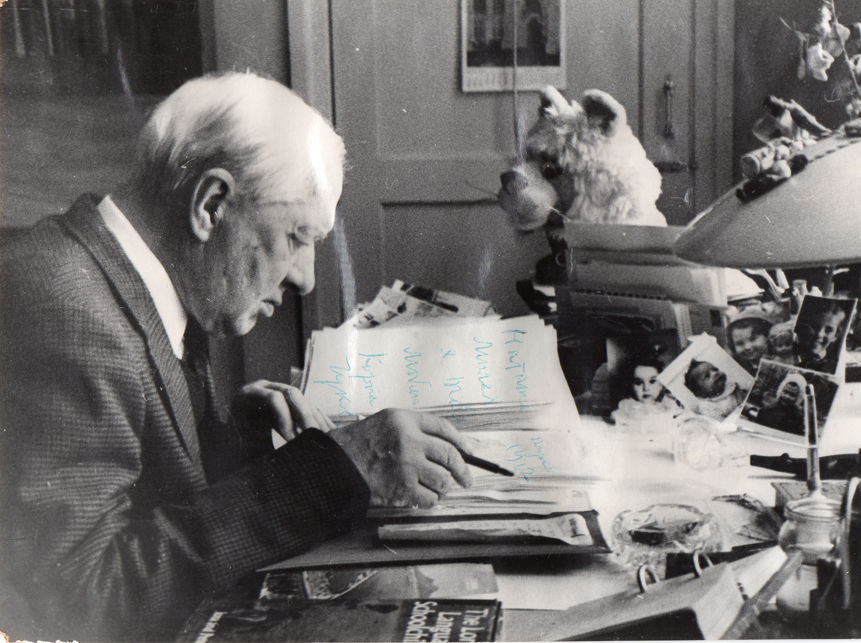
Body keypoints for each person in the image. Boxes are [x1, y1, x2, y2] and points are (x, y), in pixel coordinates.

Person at [0, 72, 476, 641]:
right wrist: (334, 469)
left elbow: (148, 492)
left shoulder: (123, 279)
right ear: (212, 204)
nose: (305, 278)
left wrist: (234, 444)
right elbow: (85, 599)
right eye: (297, 237)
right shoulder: (67, 312)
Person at [610, 354, 681, 430]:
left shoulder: (670, 407)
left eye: (652, 381)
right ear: (631, 385)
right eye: (638, 383)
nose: (646, 388)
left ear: (661, 385)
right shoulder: (626, 411)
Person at [684, 359, 748, 421]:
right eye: (707, 376)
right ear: (700, 392)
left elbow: (742, 401)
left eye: (715, 369)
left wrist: (740, 394)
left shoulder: (730, 386)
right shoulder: (707, 406)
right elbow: (723, 423)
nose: (715, 373)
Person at [795, 300, 849, 373]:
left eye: (828, 330)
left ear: (836, 335)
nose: (819, 334)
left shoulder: (835, 367)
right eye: (815, 326)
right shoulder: (790, 354)